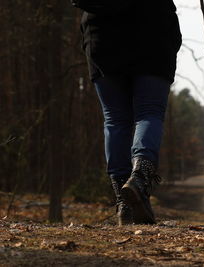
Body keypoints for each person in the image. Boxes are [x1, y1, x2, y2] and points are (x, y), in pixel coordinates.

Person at [71, 1, 182, 225]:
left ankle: (125, 204)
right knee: (149, 112)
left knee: (115, 119)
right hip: (152, 29)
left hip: (102, 35)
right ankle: (139, 178)